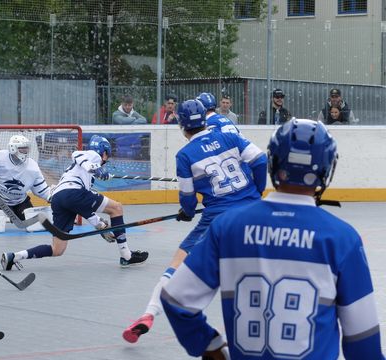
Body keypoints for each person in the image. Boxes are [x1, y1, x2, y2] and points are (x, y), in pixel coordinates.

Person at [160, 118, 385, 359]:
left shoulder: (226, 228)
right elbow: (363, 340)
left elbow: (175, 298)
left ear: (274, 162)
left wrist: (209, 345)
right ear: (326, 169)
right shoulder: (342, 239)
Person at [122, 99, 267, 344]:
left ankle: (149, 313)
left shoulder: (185, 155)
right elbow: (260, 160)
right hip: (253, 213)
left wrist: (187, 211)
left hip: (217, 219)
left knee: (177, 265)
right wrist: (256, 192)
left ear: (182, 126)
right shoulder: (229, 136)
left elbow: (188, 197)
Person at [1, 135, 148, 270]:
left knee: (57, 249)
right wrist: (94, 168)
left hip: (59, 199)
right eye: (107, 155)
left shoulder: (83, 174)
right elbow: (76, 154)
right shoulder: (93, 156)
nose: (105, 159)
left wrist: (99, 224)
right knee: (116, 208)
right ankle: (126, 256)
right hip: (72, 192)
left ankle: (14, 256)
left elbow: (78, 205)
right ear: (104, 152)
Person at [0, 135, 51, 222]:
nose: (25, 151)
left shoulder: (33, 167)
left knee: (30, 223)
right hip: (0, 202)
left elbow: (42, 190)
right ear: (13, 148)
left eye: (26, 148)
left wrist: (52, 197)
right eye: (22, 148)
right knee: (2, 224)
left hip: (21, 202)